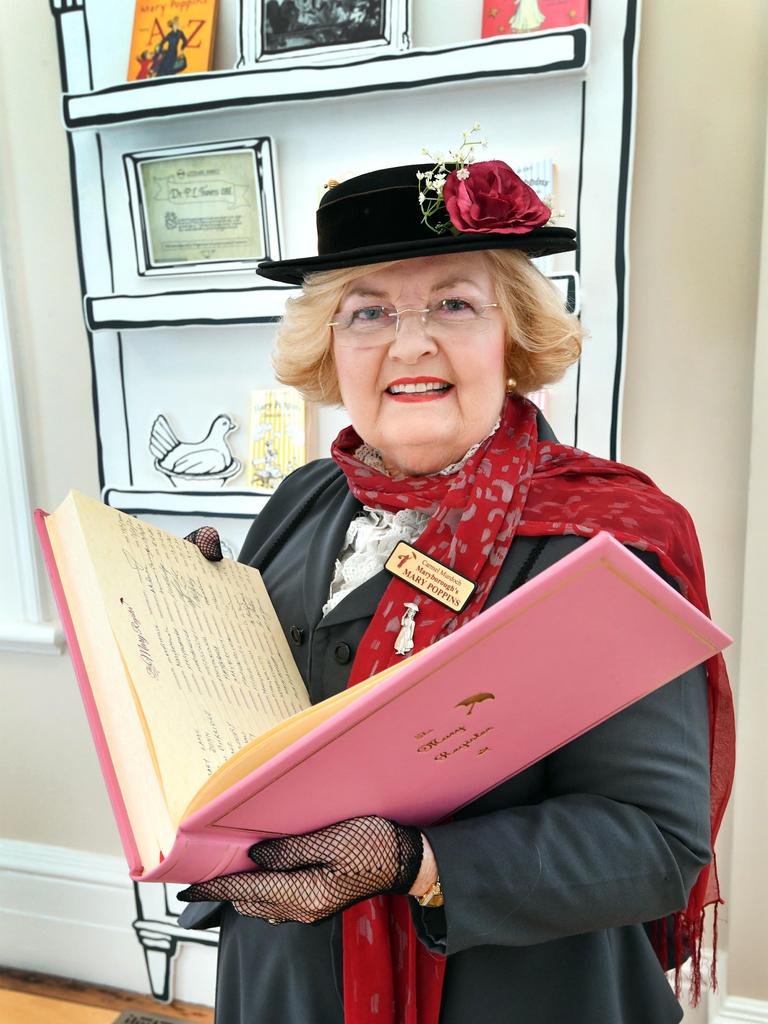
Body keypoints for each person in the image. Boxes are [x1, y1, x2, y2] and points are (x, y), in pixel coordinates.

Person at [177, 154, 735, 1024]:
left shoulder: (609, 538)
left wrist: (417, 861)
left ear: (511, 334)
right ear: (331, 343)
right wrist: (187, 620)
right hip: (290, 985)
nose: (411, 343)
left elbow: (658, 845)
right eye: (368, 311)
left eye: (454, 303)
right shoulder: (300, 499)